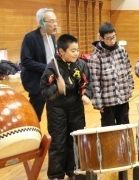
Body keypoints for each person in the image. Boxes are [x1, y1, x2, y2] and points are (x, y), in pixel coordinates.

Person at [40, 34, 93, 180]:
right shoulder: (52, 67)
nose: (76, 53)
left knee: (75, 139)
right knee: (58, 141)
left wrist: (86, 94)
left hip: (76, 107)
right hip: (57, 108)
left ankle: (74, 171)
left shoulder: (81, 64)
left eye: (77, 50)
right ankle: (56, 174)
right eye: (73, 50)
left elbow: (87, 83)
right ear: (62, 51)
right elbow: (44, 91)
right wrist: (57, 87)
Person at [87, 22, 134, 127]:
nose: (112, 41)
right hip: (107, 102)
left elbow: (128, 71)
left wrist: (130, 88)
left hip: (123, 98)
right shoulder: (95, 57)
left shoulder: (122, 51)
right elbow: (94, 82)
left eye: (113, 37)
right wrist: (98, 102)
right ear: (101, 38)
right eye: (108, 38)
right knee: (109, 132)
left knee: (124, 128)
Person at [20, 8, 58, 121]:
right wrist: (47, 68)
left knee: (54, 114)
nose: (55, 24)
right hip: (36, 83)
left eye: (55, 20)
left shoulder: (52, 36)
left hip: (51, 81)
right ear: (41, 23)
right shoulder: (30, 37)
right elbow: (26, 61)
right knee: (35, 116)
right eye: (51, 21)